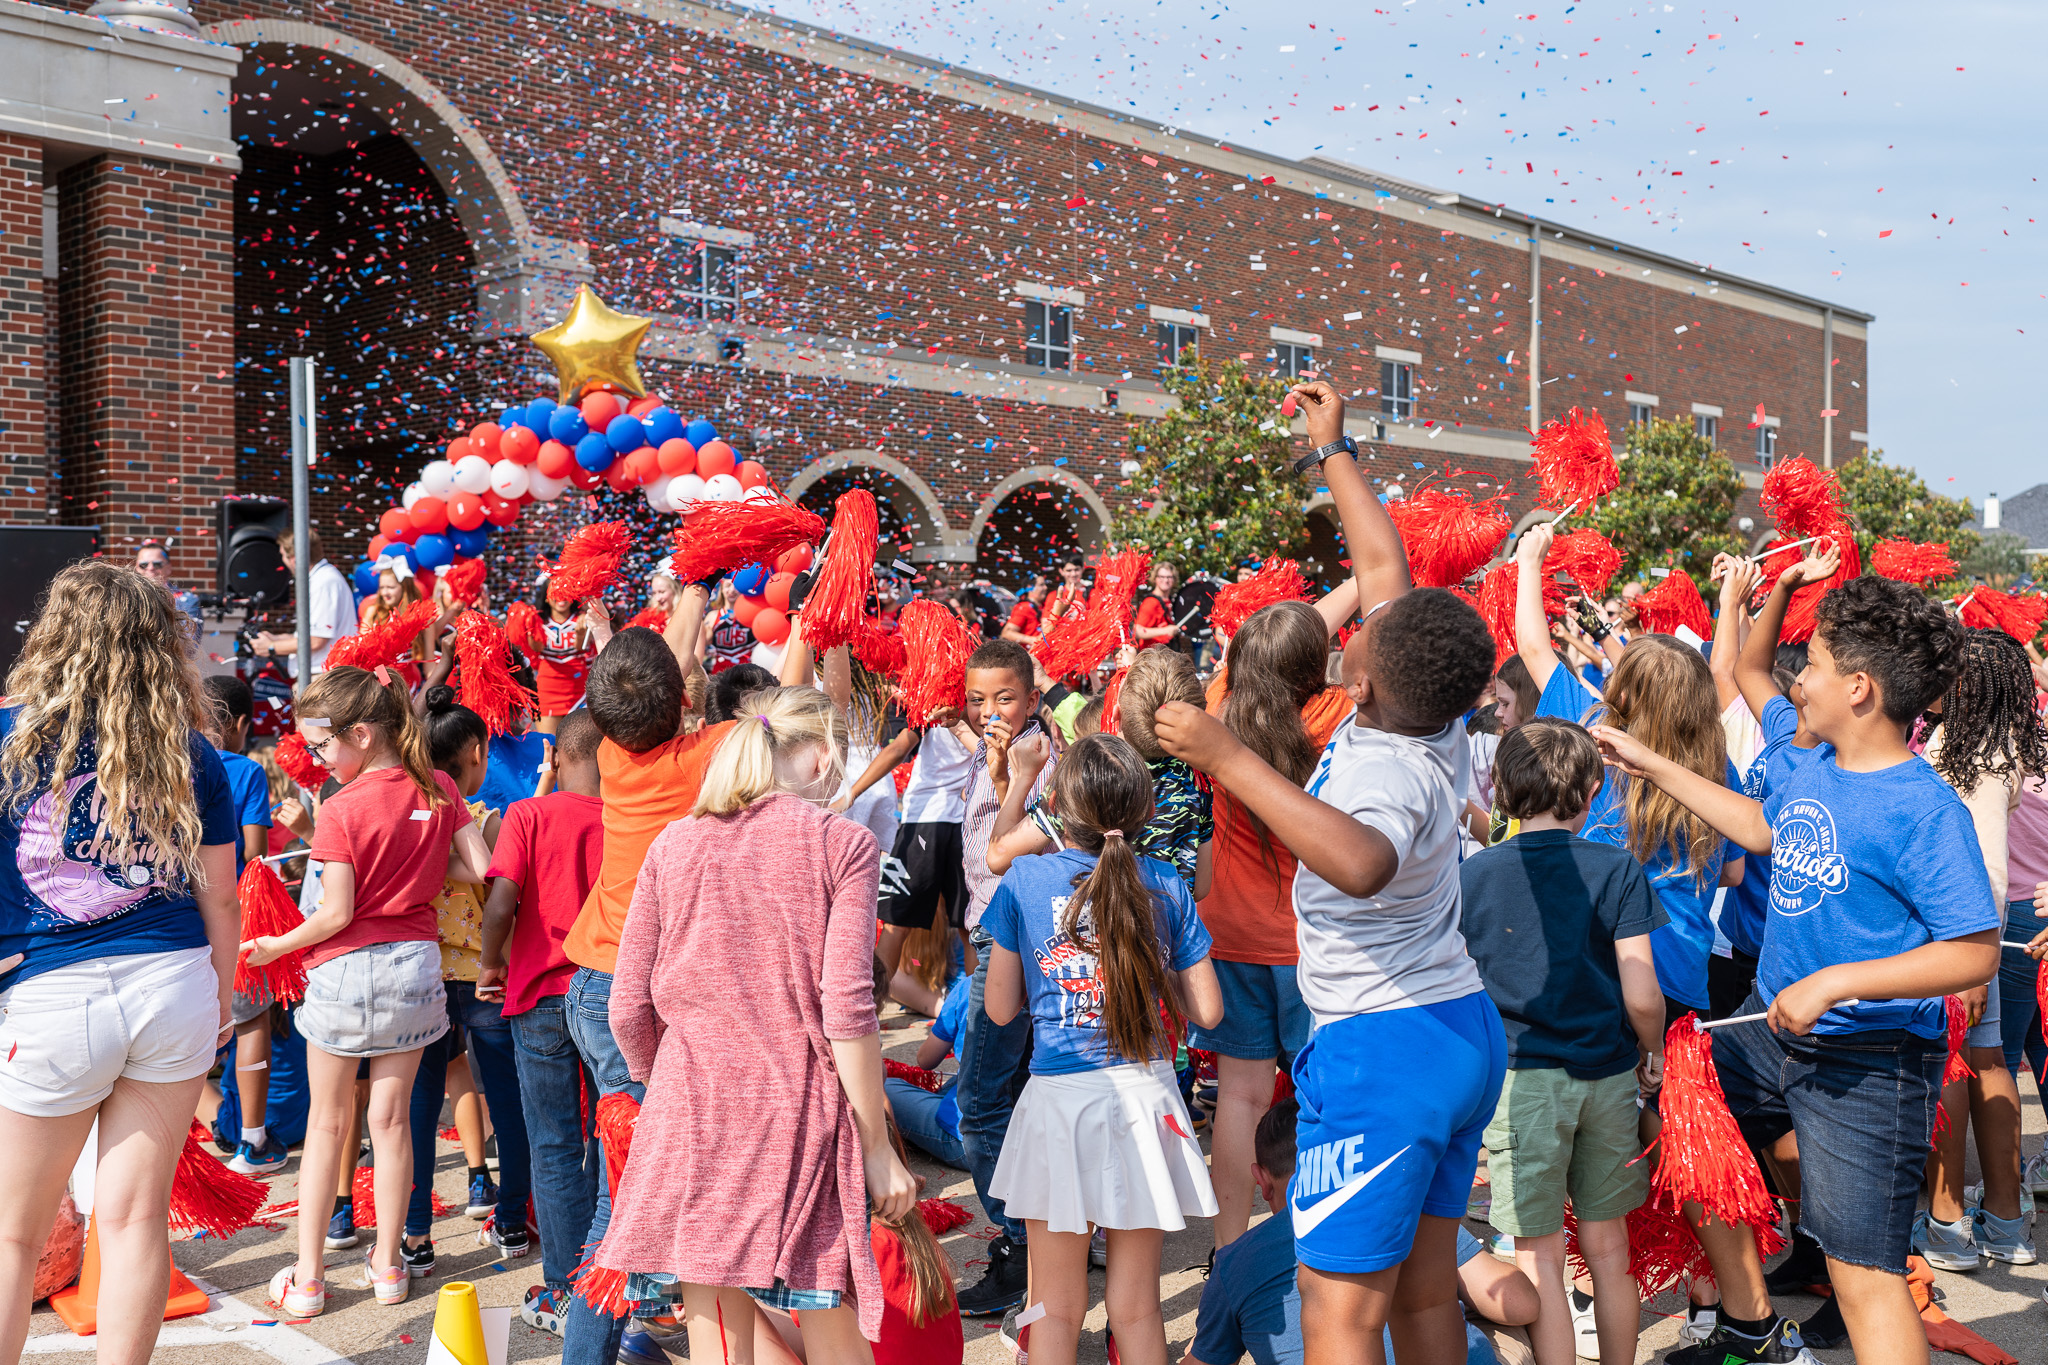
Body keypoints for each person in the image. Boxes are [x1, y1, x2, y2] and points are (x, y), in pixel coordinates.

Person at [1155, 377, 1505, 1365]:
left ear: (1359, 676)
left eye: (1361, 636)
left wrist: (1227, 759)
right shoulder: (1423, 722)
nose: (1355, 623)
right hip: (1454, 1028)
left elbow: (1358, 862)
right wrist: (1332, 449)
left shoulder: (1388, 770)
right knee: (1427, 1299)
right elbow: (1383, 560)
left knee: (1337, 1312)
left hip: (1384, 1052)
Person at [1591, 572, 1998, 1365]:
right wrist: (1647, 759)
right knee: (1681, 1111)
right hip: (1767, 1029)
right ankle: (1751, 1322)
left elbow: (1974, 949)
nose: (1793, 679)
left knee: (1861, 1274)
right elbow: (1756, 824)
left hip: (1870, 1060)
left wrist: (1837, 981)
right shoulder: (1812, 763)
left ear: (1859, 687)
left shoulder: (1924, 807)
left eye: (1807, 663)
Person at [592, 685, 917, 1356]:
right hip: (797, 1116)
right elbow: (849, 1009)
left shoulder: (673, 844)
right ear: (825, 755)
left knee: (718, 1345)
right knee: (831, 1319)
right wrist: (878, 1147)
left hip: (689, 1113)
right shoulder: (843, 843)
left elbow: (626, 1005)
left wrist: (671, 1082)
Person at [0, 562, 240, 1365]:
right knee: (134, 1219)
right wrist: (223, 997)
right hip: (172, 983)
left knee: (13, 1234)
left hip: (53, 993)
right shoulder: (190, 751)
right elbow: (224, 899)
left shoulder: (9, 739)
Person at [241, 665, 494, 1314]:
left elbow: (335, 913)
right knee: (392, 1123)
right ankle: (387, 1265)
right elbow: (481, 867)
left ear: (359, 732)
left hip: (348, 970)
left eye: (323, 745)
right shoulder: (438, 785)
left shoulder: (341, 807)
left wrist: (274, 946)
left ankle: (307, 1277)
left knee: (329, 1125)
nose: (320, 759)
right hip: (417, 968)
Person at [983, 732, 1225, 1365]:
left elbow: (1001, 1008)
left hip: (1061, 1102)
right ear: (1144, 808)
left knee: (1055, 1310)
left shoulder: (1028, 878)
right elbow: (1208, 1010)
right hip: (1146, 1101)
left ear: (1058, 803)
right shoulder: (1167, 882)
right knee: (1138, 1308)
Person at [559, 594, 733, 1365]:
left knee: (637, 1182)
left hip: (592, 986)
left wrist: (687, 609)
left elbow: (665, 673)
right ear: (685, 699)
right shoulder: (710, 753)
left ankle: (639, 1330)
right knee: (623, 1201)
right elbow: (785, 704)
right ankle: (591, 1352)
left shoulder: (607, 754)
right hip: (638, 1002)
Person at [1459, 720, 1665, 1365]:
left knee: (1539, 1253)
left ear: (1499, 787)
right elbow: (1641, 989)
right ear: (1593, 788)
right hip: (1605, 1076)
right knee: (1609, 1251)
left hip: (1520, 1083)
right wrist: (1650, 1049)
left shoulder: (1476, 875)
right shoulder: (1617, 868)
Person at [1514, 522, 1746, 1028]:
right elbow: (1733, 872)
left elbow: (1534, 650)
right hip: (1681, 973)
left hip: (1594, 961)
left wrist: (1530, 561)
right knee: (1667, 1101)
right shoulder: (1720, 771)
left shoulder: (1595, 737)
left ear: (1620, 690)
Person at [1188, 586, 1358, 1249]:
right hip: (1313, 945)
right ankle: (1318, 1239)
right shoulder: (1336, 714)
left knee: (1239, 1096)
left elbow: (1260, 651)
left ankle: (1229, 1248)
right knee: (1324, 1099)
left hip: (1232, 935)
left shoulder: (1219, 711)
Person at [1183, 1103, 1541, 1365]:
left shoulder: (1235, 1261)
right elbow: (1519, 1303)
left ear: (1261, 1180)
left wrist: (1203, 1344)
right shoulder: (1403, 1211)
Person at [1918, 627, 2045, 1269]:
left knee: (1955, 1068)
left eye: (1946, 670)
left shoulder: (1969, 753)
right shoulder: (1994, 744)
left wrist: (1972, 952)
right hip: (1974, 932)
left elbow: (1988, 867)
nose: (1931, 677)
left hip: (1959, 934)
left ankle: (1947, 1227)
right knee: (1990, 1060)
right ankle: (2005, 1223)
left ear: (1968, 685)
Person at [480, 708, 607, 1334]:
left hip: (537, 996)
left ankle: (566, 1289)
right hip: (608, 996)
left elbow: (500, 902)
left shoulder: (528, 815)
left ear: (555, 760)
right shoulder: (626, 819)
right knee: (611, 1137)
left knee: (553, 1144)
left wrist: (488, 963)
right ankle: (621, 1282)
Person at [399, 687, 533, 1276]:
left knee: (419, 1108)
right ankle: (509, 1220)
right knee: (506, 1100)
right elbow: (506, 892)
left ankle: (415, 1233)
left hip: (425, 973)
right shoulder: (488, 822)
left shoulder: (409, 819)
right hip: (486, 976)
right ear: (477, 751)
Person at [955, 637, 1056, 1316]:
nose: (989, 710)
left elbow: (1006, 857)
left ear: (1033, 698)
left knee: (981, 1105)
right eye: (978, 699)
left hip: (1013, 940)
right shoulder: (1003, 752)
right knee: (1016, 1095)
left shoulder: (1042, 758)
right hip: (992, 935)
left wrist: (1009, 774)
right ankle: (1046, 1234)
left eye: (1005, 698)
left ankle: (1023, 1244)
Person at [989, 646, 1215, 899]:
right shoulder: (1198, 782)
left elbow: (999, 858)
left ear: (1115, 714)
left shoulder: (1086, 770)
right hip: (1166, 933)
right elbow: (1199, 887)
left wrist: (1020, 777)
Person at [200, 674, 291, 1174]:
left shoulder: (171, 764)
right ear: (239, 724)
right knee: (251, 1020)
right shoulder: (245, 771)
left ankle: (210, 1124)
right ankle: (252, 1142)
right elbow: (254, 855)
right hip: (231, 913)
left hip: (176, 921)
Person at [884, 970, 970, 1169]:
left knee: (885, 1088)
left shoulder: (969, 987)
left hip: (970, 1144)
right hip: (1028, 1142)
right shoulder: (1048, 986)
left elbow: (925, 1060)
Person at [253, 527, 359, 676]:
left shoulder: (323, 582)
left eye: (283, 555)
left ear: (294, 558)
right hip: (325, 675)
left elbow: (316, 641)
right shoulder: (323, 578)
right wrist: (277, 638)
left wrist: (272, 647)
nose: (283, 561)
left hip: (324, 678)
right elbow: (317, 635)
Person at [510, 584, 600, 735]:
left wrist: (581, 632)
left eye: (566, 592)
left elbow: (581, 648)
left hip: (579, 689)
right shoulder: (538, 621)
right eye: (555, 592)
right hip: (548, 690)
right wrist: (528, 624)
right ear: (546, 597)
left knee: (580, 745)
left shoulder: (582, 619)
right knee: (549, 744)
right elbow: (537, 648)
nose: (561, 597)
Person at [1134, 562, 1184, 651]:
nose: (1166, 580)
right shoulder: (1151, 602)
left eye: (1169, 577)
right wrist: (1165, 630)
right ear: (1155, 579)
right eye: (1162, 577)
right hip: (1153, 657)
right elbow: (1137, 631)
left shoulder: (1171, 601)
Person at [1003, 578, 1050, 645]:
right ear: (1029, 587)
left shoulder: (1045, 605)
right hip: (1031, 653)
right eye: (1041, 585)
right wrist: (1034, 640)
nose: (1045, 587)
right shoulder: (1024, 607)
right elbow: (1007, 633)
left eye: (1045, 584)